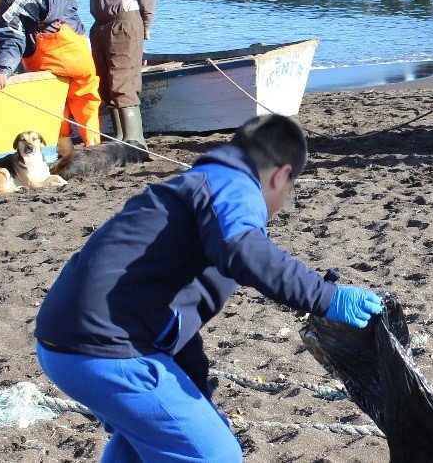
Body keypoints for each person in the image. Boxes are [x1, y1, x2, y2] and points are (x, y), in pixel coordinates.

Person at [34, 114, 383, 462]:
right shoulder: (233, 185)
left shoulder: (197, 184)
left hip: (67, 342)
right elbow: (243, 249)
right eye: (290, 192)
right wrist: (328, 298)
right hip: (102, 346)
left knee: (146, 444)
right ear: (280, 176)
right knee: (216, 455)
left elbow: (177, 315)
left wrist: (196, 389)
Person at [0, 0, 102, 153]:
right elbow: (73, 13)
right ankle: (92, 146)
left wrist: (2, 69)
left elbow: (11, 37)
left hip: (45, 55)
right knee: (86, 98)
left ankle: (64, 149)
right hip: (77, 49)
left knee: (54, 103)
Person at [82, 0, 154, 151]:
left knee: (123, 81)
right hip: (100, 27)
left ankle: (135, 142)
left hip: (124, 24)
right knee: (105, 83)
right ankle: (119, 139)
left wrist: (146, 26)